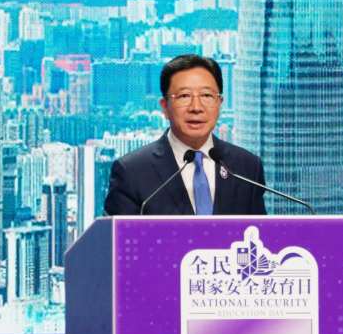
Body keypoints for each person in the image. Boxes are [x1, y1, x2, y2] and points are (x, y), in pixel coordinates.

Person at [103, 54, 267, 216]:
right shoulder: (132, 172)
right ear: (165, 107)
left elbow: (261, 230)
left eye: (206, 96)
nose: (196, 107)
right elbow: (117, 233)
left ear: (219, 104)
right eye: (184, 96)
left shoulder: (246, 167)